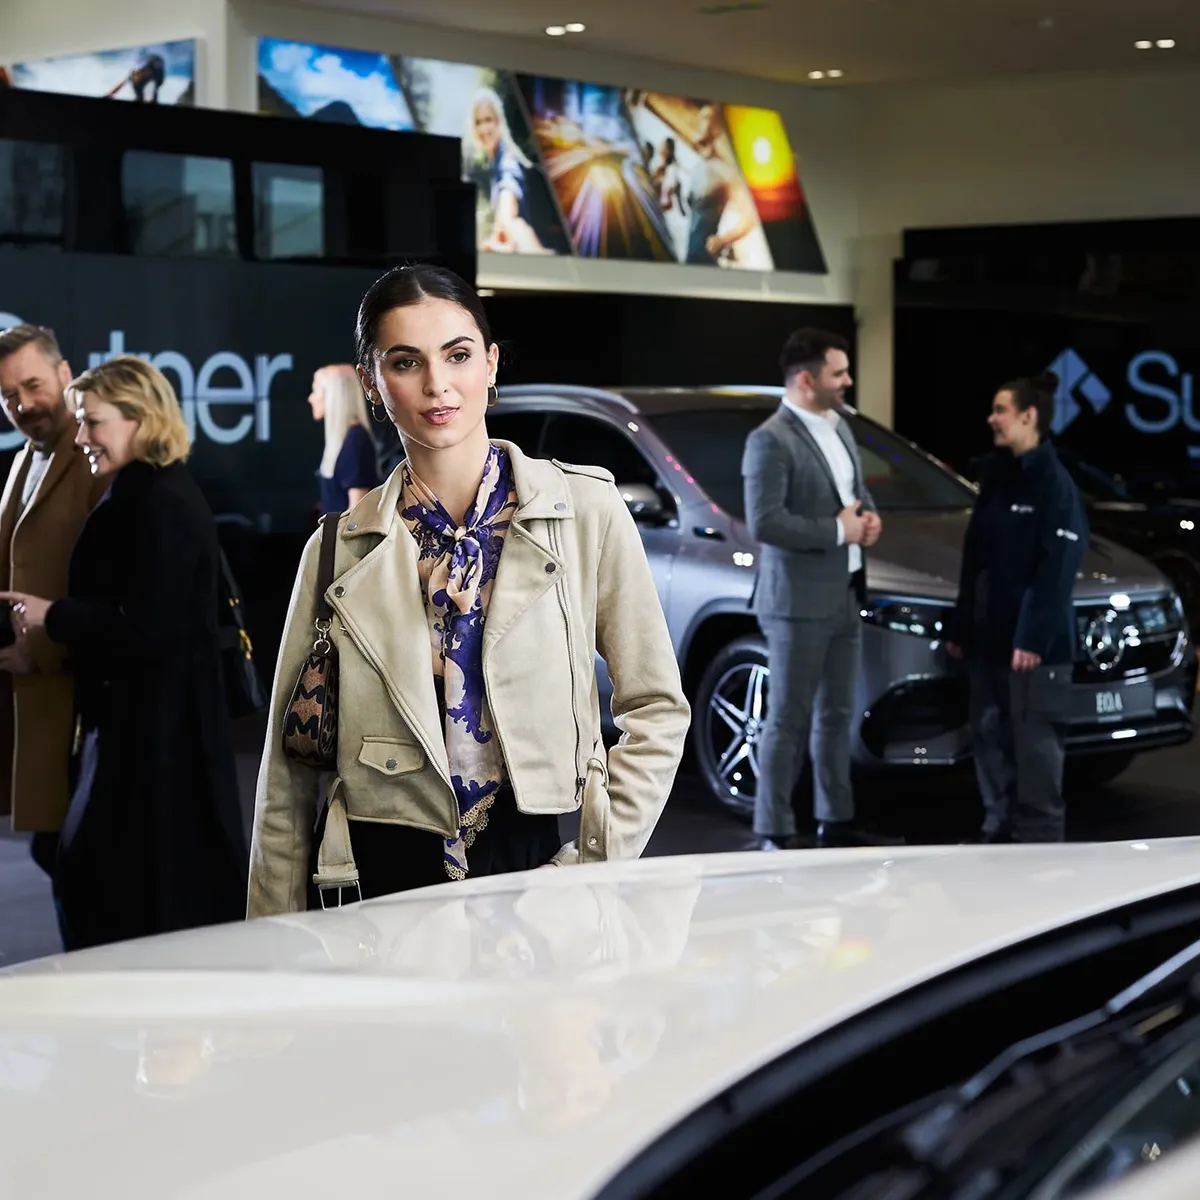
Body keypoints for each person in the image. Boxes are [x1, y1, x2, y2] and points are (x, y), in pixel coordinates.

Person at [248, 263, 690, 915]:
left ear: (490, 363)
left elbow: (655, 707)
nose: (437, 384)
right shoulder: (338, 548)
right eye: (406, 362)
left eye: (457, 355)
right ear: (371, 382)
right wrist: (271, 938)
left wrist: (594, 864)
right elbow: (287, 773)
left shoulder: (584, 511)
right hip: (375, 887)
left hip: (534, 878)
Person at [0, 356, 249, 950]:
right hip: (146, 731)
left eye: (94, 422)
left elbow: (149, 630)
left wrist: (51, 615)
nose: (81, 436)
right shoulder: (150, 491)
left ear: (142, 419)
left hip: (151, 739)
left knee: (124, 893)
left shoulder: (157, 500)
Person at [742, 328, 901, 850]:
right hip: (796, 604)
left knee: (837, 715)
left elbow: (855, 495)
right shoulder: (770, 439)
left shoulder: (840, 427)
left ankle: (835, 820)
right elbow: (764, 521)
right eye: (839, 373)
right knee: (788, 718)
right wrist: (838, 530)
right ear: (807, 381)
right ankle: (773, 827)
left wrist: (868, 521)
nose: (848, 381)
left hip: (846, 592)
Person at [945, 373, 1088, 844]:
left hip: (1033, 654)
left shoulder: (1054, 485)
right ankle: (998, 834)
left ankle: (1041, 849)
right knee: (989, 737)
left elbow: (1056, 570)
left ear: (1029, 416)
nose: (991, 419)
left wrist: (1032, 638)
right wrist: (962, 627)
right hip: (988, 643)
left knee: (1035, 755)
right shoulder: (997, 479)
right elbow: (975, 562)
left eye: (1000, 410)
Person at [0, 324, 108, 929]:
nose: (24, 404)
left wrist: (47, 646)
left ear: (65, 375)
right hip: (34, 693)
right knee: (55, 849)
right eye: (9, 395)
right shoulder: (25, 458)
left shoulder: (94, 456)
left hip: (81, 692)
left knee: (78, 856)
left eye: (33, 385)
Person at [308, 363, 381, 514]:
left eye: (315, 390)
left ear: (332, 395)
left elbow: (356, 514)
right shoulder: (347, 439)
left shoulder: (355, 442)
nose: (311, 398)